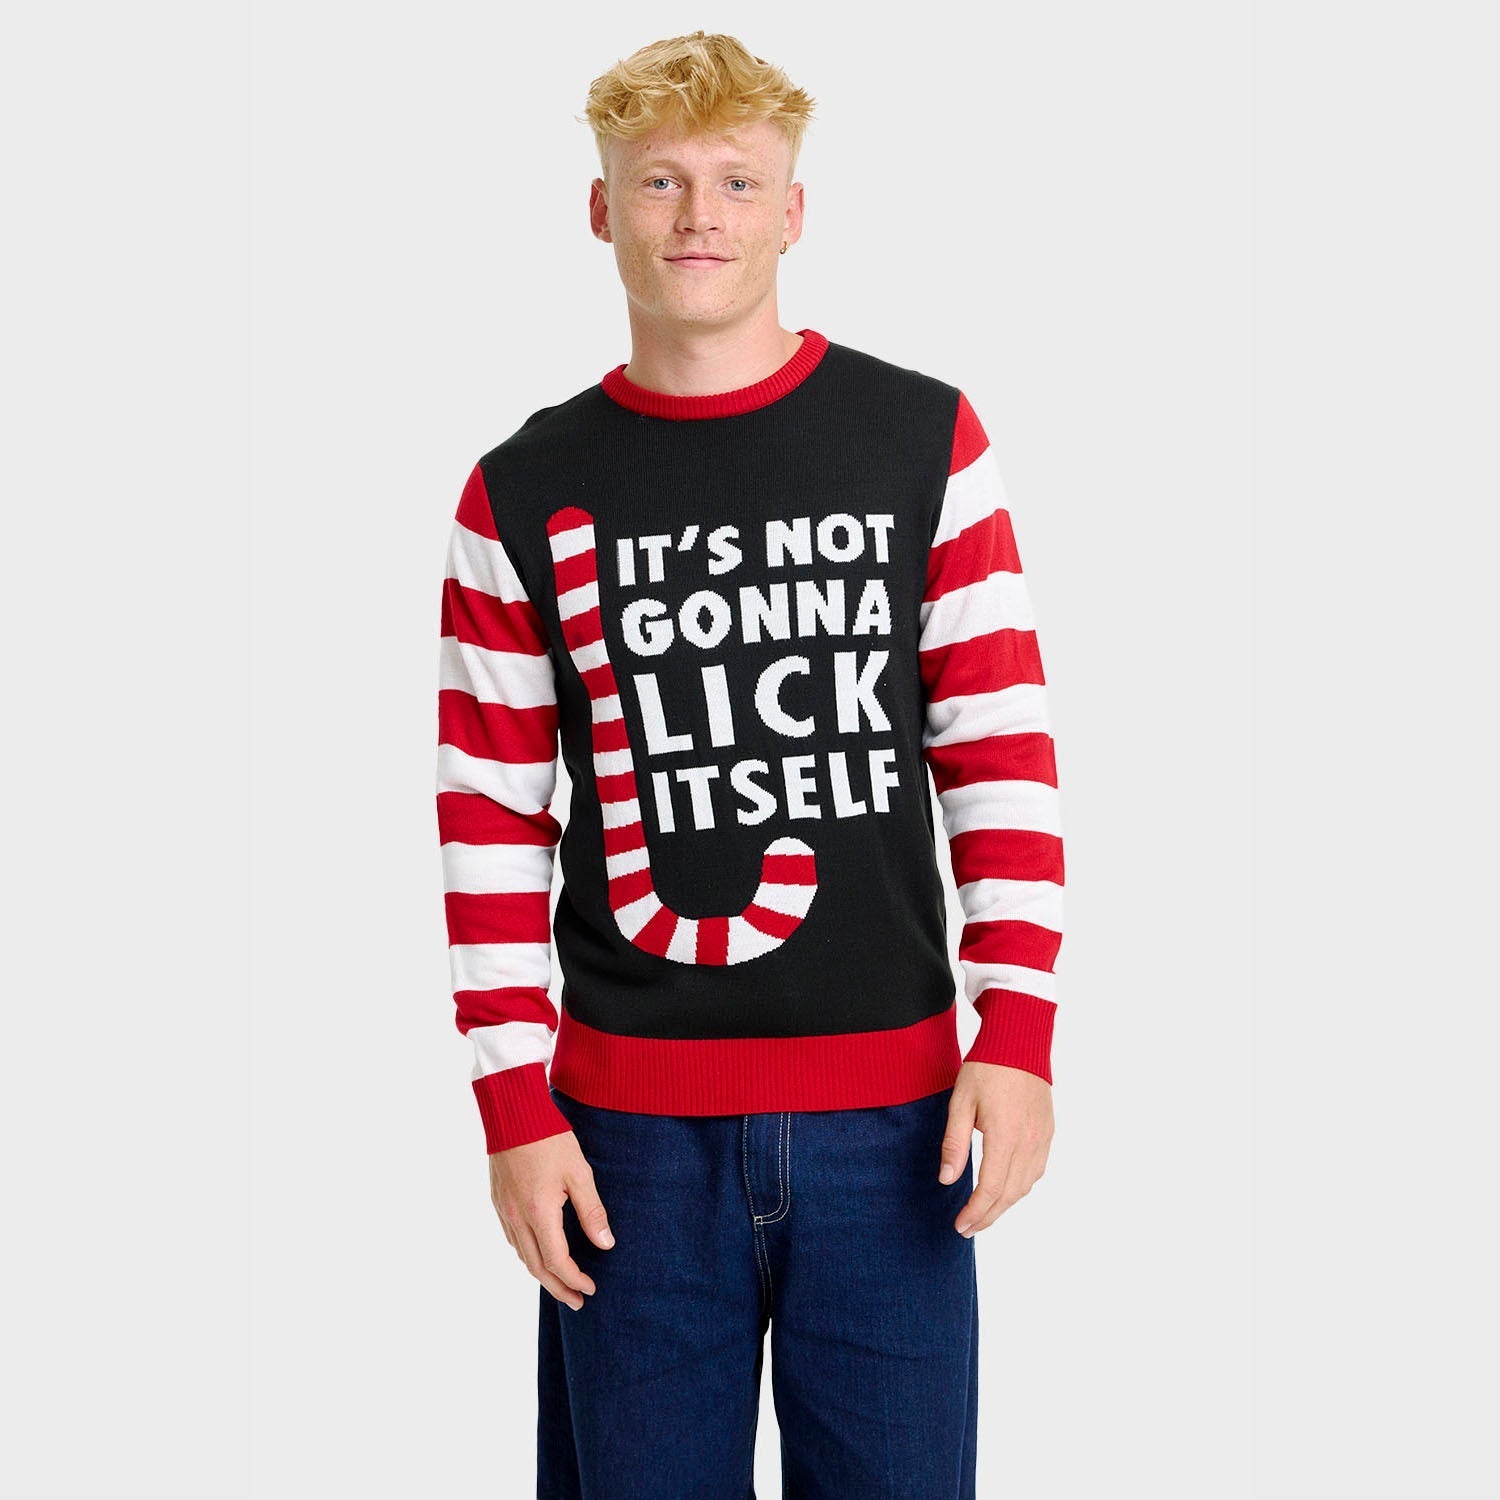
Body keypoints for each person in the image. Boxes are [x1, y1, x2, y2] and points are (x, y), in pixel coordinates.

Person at [435, 30, 1064, 1499]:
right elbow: (488, 818)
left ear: (794, 210)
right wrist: (515, 1106)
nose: (698, 215)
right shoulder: (519, 489)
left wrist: (1020, 1032)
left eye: (735, 180)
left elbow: (996, 745)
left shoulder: (922, 437)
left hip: (899, 1129)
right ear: (602, 209)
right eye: (659, 181)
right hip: (626, 1145)